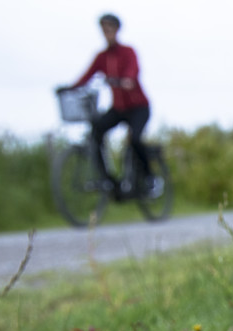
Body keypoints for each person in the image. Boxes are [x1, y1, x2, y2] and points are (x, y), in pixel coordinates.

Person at [59, 13, 161, 198]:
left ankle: (150, 178)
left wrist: (125, 80)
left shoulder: (128, 52)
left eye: (109, 29)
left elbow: (132, 72)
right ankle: (107, 178)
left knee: (135, 139)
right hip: (118, 109)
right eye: (104, 30)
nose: (106, 33)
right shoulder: (102, 57)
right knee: (96, 131)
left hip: (138, 107)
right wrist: (69, 88)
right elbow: (87, 75)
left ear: (116, 30)